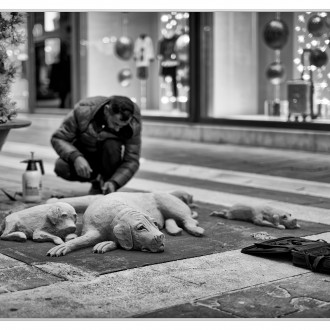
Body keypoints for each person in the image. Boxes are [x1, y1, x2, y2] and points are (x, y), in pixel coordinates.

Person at [51, 95, 141, 195]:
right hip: (86, 156)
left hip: (110, 159)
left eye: (122, 126)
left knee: (111, 144)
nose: (117, 129)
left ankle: (107, 185)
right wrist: (76, 157)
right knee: (61, 166)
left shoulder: (134, 122)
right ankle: (96, 181)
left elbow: (132, 159)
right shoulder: (84, 110)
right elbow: (58, 138)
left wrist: (115, 182)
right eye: (115, 123)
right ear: (106, 111)